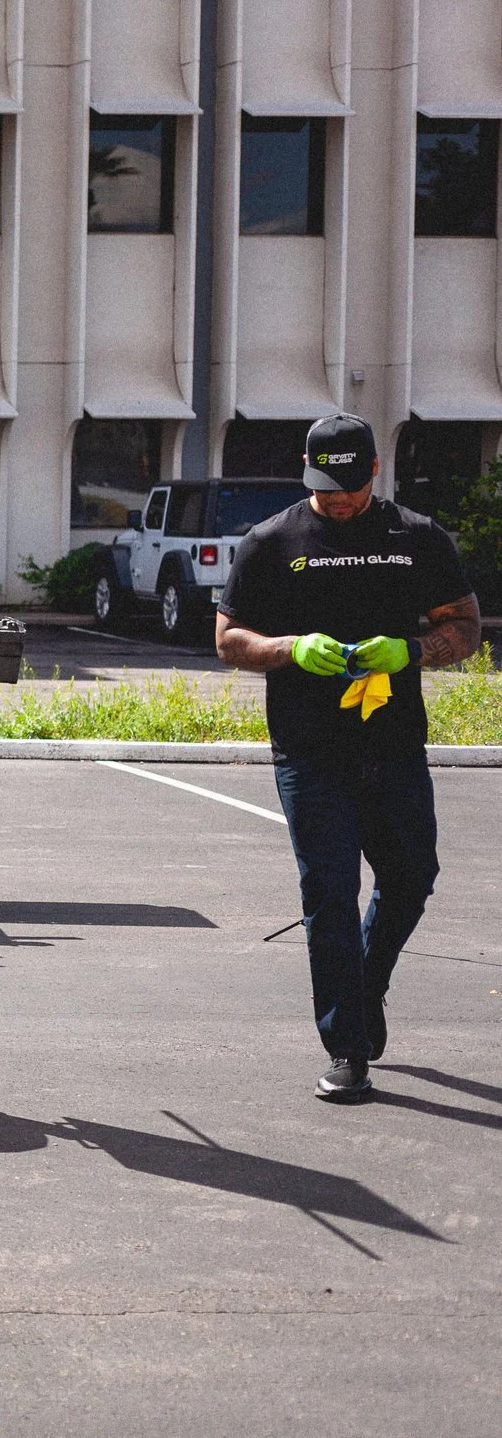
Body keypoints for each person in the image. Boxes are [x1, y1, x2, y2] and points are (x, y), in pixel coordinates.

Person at [215, 413, 482, 1104]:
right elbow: (228, 640)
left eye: (348, 486)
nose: (335, 499)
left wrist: (414, 650)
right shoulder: (272, 542)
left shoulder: (417, 539)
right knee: (329, 895)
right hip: (308, 752)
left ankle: (366, 985)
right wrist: (290, 648)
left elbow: (466, 625)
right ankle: (346, 1047)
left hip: (392, 745)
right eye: (322, 485)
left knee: (412, 874)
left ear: (373, 471)